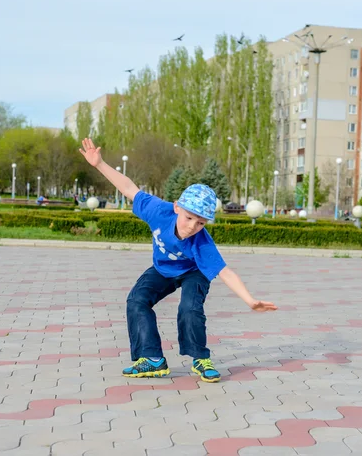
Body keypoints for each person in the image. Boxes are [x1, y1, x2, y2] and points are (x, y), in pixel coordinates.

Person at [79, 138, 278, 383]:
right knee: (136, 300)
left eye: (201, 223)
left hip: (194, 272)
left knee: (189, 308)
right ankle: (152, 359)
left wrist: (250, 300)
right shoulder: (158, 211)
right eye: (189, 218)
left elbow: (225, 272)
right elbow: (129, 188)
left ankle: (200, 359)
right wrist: (99, 164)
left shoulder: (201, 242)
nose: (193, 226)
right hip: (163, 269)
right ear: (176, 208)